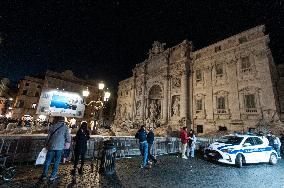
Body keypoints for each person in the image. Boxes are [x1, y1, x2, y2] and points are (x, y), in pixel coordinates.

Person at [40, 116, 71, 181]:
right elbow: (68, 138)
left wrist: (46, 144)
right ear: (63, 120)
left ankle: (44, 175)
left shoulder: (53, 126)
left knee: (48, 160)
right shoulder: (65, 127)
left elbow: (48, 137)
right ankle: (53, 176)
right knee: (56, 161)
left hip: (51, 146)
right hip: (59, 147)